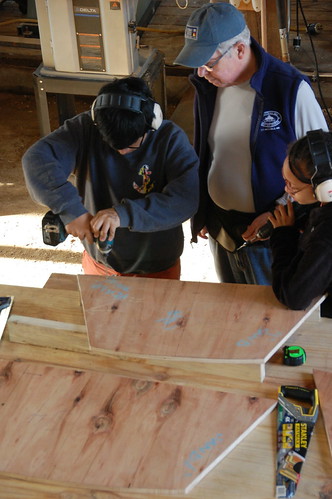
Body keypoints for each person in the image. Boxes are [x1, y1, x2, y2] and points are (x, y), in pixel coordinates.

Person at [174, 2, 328, 285]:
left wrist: (276, 215)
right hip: (221, 230)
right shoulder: (208, 87)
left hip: (270, 233)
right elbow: (209, 153)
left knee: (272, 317)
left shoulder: (289, 89)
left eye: (208, 63)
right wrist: (203, 210)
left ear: (240, 50)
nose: (201, 73)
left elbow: (323, 168)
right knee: (232, 311)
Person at [22, 76, 199, 279]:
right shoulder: (86, 128)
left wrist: (121, 214)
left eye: (132, 144)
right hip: (99, 262)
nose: (122, 152)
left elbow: (185, 199)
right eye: (114, 145)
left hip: (157, 264)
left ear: (152, 123)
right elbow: (36, 159)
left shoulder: (170, 138)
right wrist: (69, 208)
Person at [268, 129, 332, 318]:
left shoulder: (326, 236)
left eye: (292, 187)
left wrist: (283, 235)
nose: (287, 190)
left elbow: (294, 297)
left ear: (325, 188)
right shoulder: (322, 205)